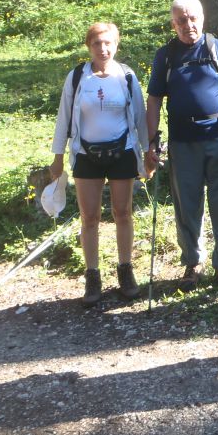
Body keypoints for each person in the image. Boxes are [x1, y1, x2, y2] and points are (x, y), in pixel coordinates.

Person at [145, 0, 218, 292]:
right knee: (187, 205)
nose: (187, 24)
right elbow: (153, 100)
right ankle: (193, 263)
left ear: (202, 18)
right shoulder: (165, 56)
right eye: (181, 20)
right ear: (173, 24)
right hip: (182, 142)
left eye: (192, 18)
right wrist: (151, 140)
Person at [50, 22, 150, 307]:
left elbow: (141, 118)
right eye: (97, 44)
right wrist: (58, 157)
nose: (103, 49)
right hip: (85, 154)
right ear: (88, 46)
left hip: (123, 151)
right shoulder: (77, 78)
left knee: (123, 212)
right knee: (90, 217)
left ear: (117, 44)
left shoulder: (127, 76)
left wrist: (147, 154)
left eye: (108, 43)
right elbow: (63, 119)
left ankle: (125, 271)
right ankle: (92, 276)